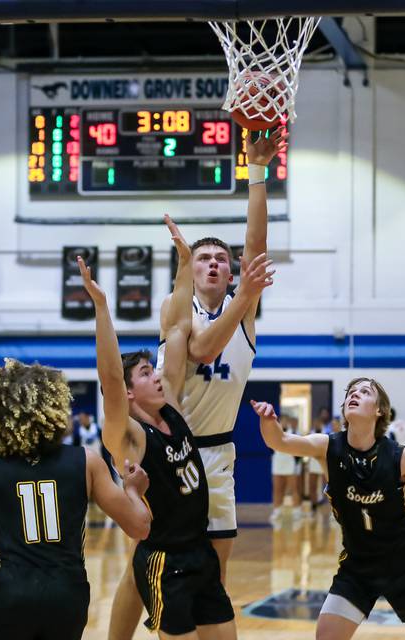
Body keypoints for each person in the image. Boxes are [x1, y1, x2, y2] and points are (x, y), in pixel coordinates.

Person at [108, 134, 282, 640]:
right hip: (170, 454)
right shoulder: (174, 310)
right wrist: (232, 290)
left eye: (220, 260)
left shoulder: (245, 313)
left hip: (219, 457)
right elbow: (202, 349)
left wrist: (255, 172)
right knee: (145, 570)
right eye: (202, 257)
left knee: (213, 578)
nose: (212, 263)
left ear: (231, 273)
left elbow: (257, 249)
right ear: (190, 269)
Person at [0, 358, 151, 640]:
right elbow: (140, 527)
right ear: (55, 408)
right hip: (68, 598)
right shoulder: (87, 461)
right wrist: (133, 490)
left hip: (9, 595)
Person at [251, 377, 405, 640]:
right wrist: (268, 421)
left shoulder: (400, 456)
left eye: (364, 392)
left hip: (403, 565)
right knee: (326, 635)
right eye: (351, 392)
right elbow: (279, 442)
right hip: (357, 565)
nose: (354, 395)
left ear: (380, 410)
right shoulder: (327, 447)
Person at [82, 215, 236, 640]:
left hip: (199, 552)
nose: (157, 375)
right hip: (165, 561)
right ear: (130, 395)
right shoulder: (126, 435)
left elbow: (177, 326)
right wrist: (101, 308)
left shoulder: (170, 408)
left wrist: (185, 262)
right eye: (146, 373)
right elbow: (112, 378)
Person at [270, 415, 302, 523]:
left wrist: (297, 465)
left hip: (289, 463)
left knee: (293, 489)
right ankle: (277, 511)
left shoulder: (292, 433)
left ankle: (297, 511)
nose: (283, 423)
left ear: (287, 422)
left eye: (285, 421)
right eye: (281, 421)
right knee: (277, 489)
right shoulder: (274, 432)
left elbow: (298, 450)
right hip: (278, 463)